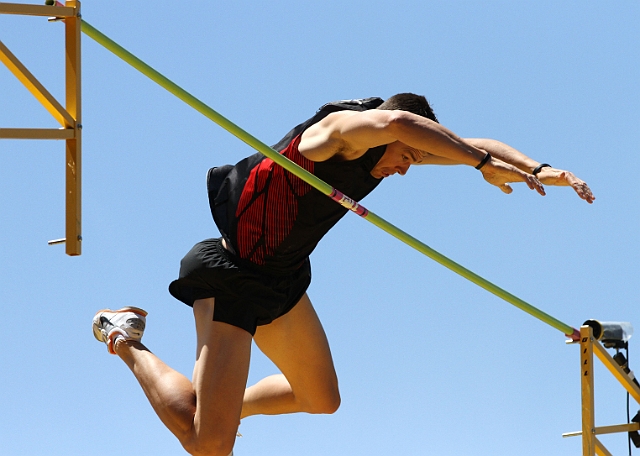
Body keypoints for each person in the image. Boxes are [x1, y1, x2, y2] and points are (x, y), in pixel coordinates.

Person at [92, 93, 594, 456]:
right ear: (385, 135)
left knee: (321, 398)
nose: (406, 170)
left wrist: (534, 168)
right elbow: (399, 122)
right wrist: (480, 162)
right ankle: (123, 336)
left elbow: (468, 142)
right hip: (233, 277)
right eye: (407, 156)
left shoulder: (385, 148)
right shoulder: (333, 136)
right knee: (209, 447)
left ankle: (221, 404)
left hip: (281, 281)